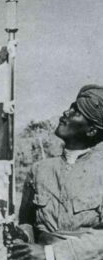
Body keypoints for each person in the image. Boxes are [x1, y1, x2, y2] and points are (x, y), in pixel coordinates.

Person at [9, 84, 103, 260]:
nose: (66, 112)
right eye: (70, 107)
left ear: (91, 131)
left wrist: (51, 253)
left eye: (76, 112)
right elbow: (27, 222)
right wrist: (21, 237)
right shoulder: (39, 170)